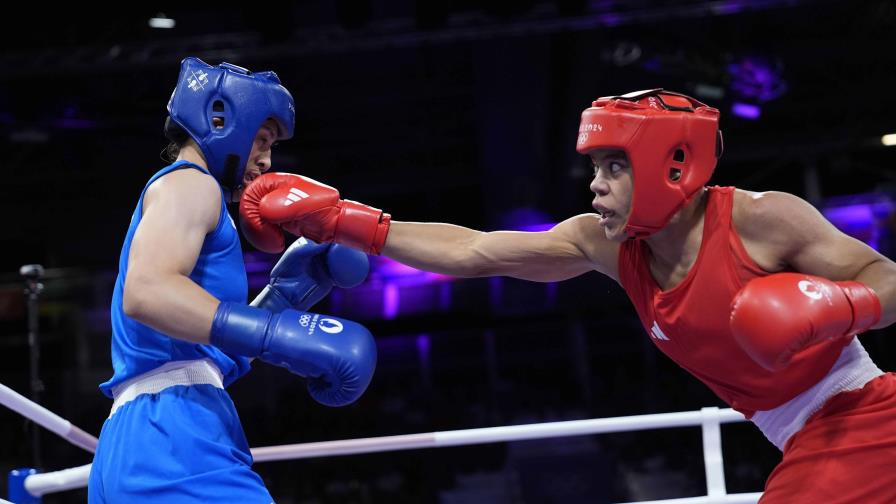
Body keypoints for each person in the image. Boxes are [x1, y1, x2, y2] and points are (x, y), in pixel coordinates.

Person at [240, 89, 896, 502]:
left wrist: (831, 308)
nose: (596, 186)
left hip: (866, 418)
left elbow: (886, 280)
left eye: (615, 167)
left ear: (674, 166)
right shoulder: (605, 245)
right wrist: (345, 220)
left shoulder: (761, 219)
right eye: (594, 167)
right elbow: (473, 251)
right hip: (806, 438)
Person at [88, 57, 378, 503]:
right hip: (172, 435)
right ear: (220, 121)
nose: (265, 161)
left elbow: (195, 340)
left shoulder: (191, 196)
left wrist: (286, 297)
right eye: (261, 140)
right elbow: (147, 292)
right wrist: (273, 333)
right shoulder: (191, 185)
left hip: (146, 437)